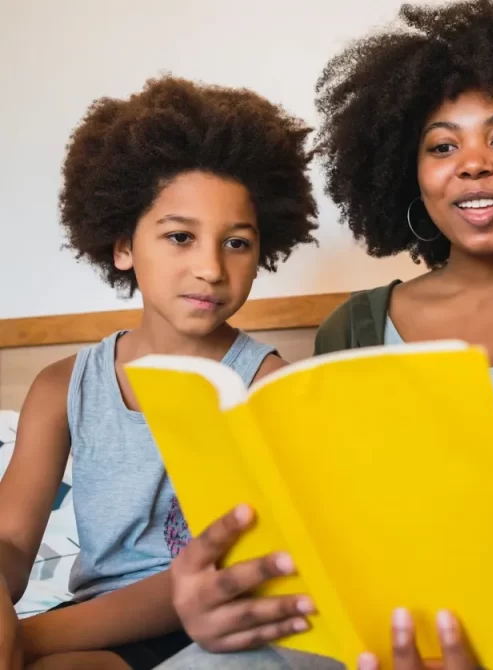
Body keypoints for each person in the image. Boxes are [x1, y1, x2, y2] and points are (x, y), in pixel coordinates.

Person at [159, 0, 493, 667]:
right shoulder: (355, 329)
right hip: (383, 636)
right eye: (442, 146)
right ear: (413, 177)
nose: (474, 164)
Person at [0, 75, 319, 669]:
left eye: (237, 243)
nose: (209, 268)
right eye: (180, 237)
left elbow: (224, 571)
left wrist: (28, 641)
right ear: (123, 245)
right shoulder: (61, 386)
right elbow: (13, 540)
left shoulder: (270, 390)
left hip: (204, 621)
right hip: (86, 617)